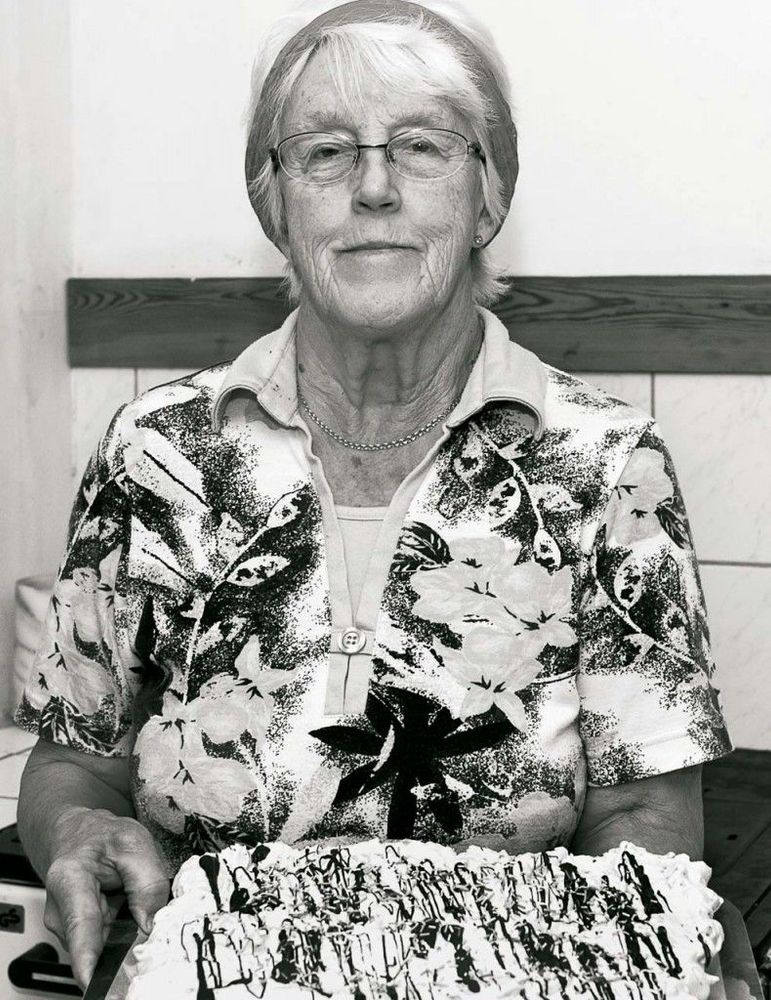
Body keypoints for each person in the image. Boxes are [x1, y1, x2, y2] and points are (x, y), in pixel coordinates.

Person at [15, 0, 732, 988]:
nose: (375, 187)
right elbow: (72, 757)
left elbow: (645, 820)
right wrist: (79, 827)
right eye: (325, 153)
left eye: (423, 147)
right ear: (276, 207)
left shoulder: (608, 464)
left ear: (489, 198)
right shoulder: (157, 449)